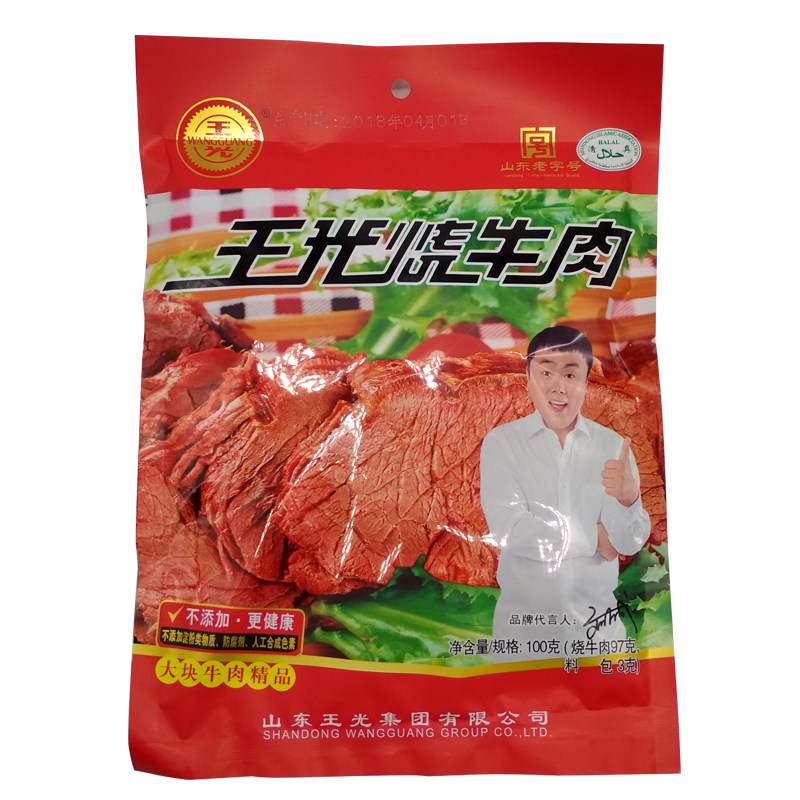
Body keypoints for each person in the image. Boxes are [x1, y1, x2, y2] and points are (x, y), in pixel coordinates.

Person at [480, 326, 650, 662]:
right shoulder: (502, 443)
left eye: (571, 374)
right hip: (524, 645)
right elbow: (510, 529)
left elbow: (627, 543)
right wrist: (593, 537)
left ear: (586, 382)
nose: (559, 386)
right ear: (528, 378)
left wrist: (629, 499)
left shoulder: (611, 445)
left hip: (599, 641)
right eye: (546, 373)